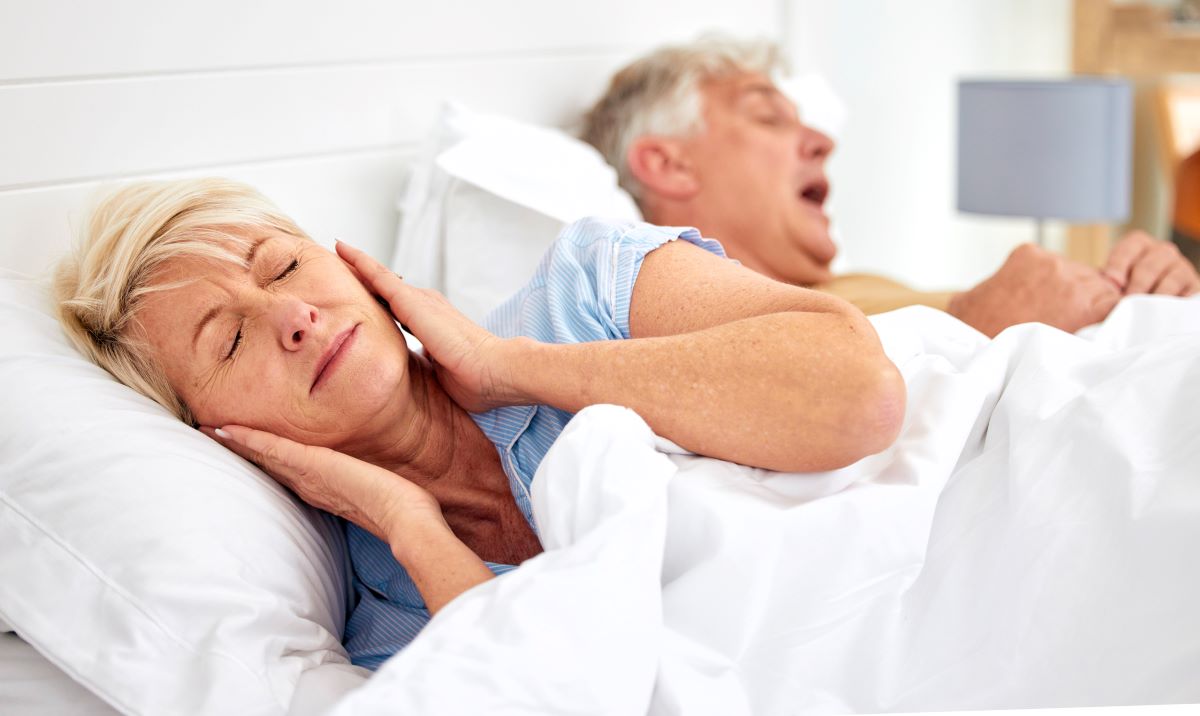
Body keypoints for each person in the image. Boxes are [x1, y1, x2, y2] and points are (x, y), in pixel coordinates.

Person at [53, 178, 905, 669]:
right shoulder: (393, 623)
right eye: (231, 341)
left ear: (353, 267)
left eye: (284, 266)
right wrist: (409, 524)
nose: (293, 317)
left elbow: (859, 394)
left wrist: (508, 368)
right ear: (219, 434)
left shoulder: (587, 289)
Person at [581, 38, 1200, 337]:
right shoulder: (684, 328)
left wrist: (1154, 288)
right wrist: (978, 325)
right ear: (667, 165)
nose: (823, 142)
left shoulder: (849, 290)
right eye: (768, 117)